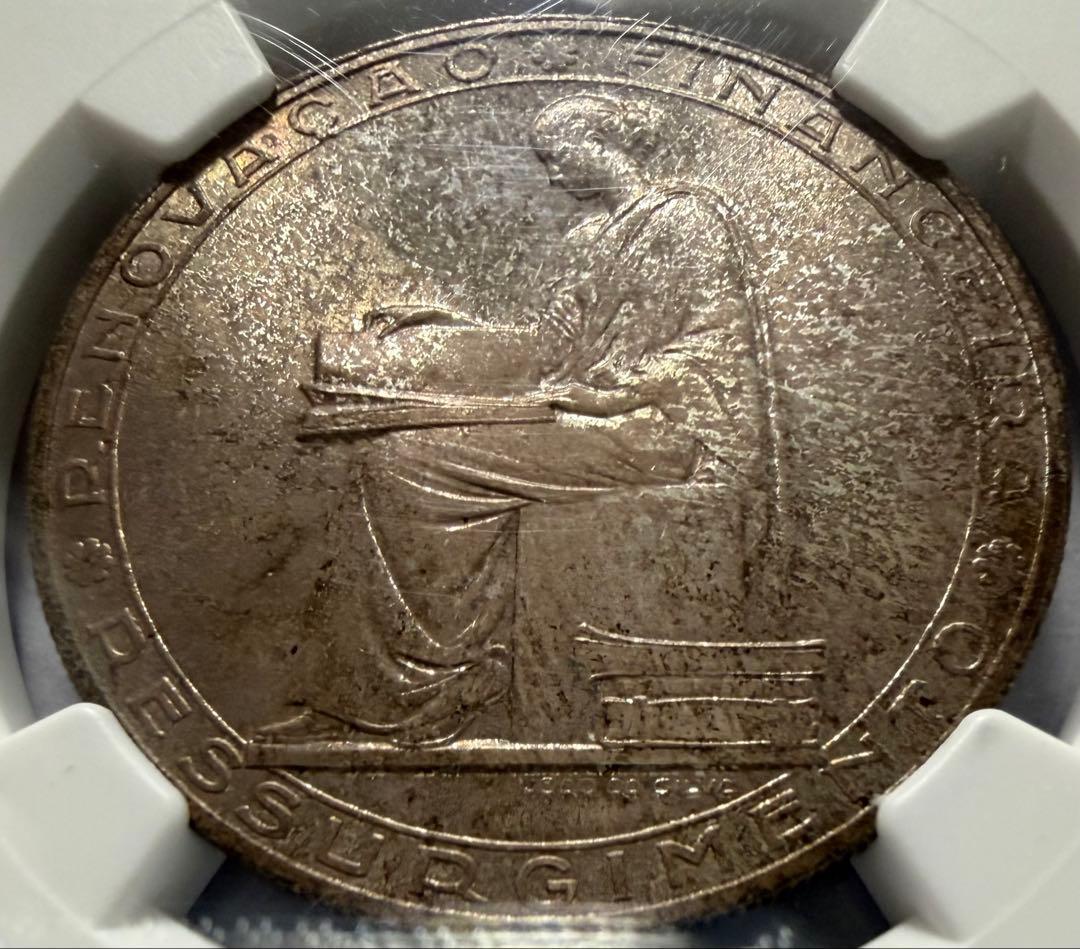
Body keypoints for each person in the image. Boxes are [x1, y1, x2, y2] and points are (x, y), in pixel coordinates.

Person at [275, 93, 779, 748]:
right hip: (583, 415)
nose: (552, 174)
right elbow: (550, 352)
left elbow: (716, 345)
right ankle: (421, 678)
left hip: (664, 430)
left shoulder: (687, 222)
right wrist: (441, 332)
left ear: (602, 145)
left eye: (558, 156)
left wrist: (616, 395)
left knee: (406, 460)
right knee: (391, 449)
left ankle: (446, 679)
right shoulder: (590, 238)